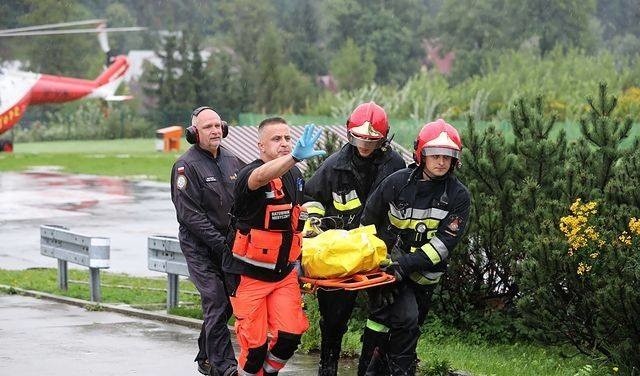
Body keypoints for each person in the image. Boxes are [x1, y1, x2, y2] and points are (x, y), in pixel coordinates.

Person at [357, 119, 471, 375]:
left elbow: (443, 245)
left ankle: (376, 370)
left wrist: (404, 265)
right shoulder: (397, 183)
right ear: (421, 155)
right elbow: (369, 220)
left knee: (404, 326)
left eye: (447, 156)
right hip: (386, 271)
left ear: (455, 160)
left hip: (423, 277)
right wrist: (378, 260)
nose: (441, 162)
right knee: (395, 322)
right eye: (435, 155)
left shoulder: (458, 196)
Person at [303, 101, 406, 376]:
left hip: (379, 254)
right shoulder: (335, 165)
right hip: (343, 257)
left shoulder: (395, 165)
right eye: (359, 138)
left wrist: (393, 252)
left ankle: (368, 371)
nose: (364, 145)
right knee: (333, 319)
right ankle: (328, 369)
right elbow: (311, 197)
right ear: (350, 134)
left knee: (381, 316)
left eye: (371, 140)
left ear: (383, 139)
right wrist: (314, 225)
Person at [222, 118, 326, 376]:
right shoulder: (250, 174)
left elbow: (296, 219)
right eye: (276, 139)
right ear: (260, 146)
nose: (284, 144)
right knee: (255, 349)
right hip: (248, 275)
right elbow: (260, 176)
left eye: (288, 138)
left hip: (283, 274)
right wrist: (293, 157)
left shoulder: (296, 175)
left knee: (290, 336)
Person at [171, 106, 244, 376]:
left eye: (217, 125)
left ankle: (205, 354)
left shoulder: (233, 161)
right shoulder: (185, 166)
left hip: (227, 246)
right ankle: (223, 366)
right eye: (207, 127)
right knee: (216, 300)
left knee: (227, 303)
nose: (214, 131)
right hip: (200, 248)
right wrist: (223, 244)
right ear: (194, 133)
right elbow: (190, 216)